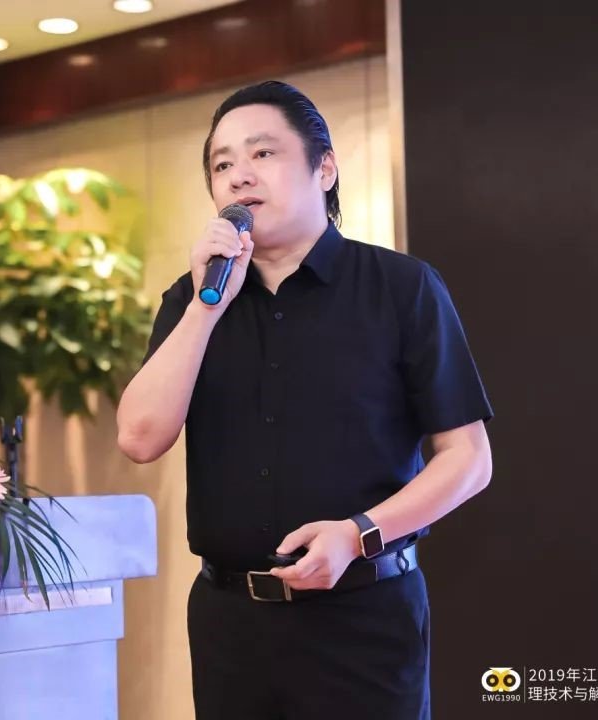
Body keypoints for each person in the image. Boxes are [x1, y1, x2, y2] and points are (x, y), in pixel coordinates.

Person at [116, 80, 494, 720]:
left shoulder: (401, 287)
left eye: (262, 154)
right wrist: (207, 307)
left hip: (365, 619)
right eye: (221, 165)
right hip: (231, 624)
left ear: (325, 169)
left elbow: (469, 459)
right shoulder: (192, 300)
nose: (239, 176)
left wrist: (358, 535)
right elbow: (139, 438)